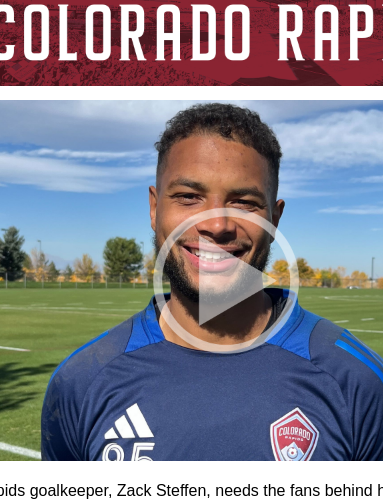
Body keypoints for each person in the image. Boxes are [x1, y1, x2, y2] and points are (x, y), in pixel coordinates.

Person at [41, 103, 383, 461]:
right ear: (155, 209)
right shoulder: (82, 381)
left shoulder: (355, 381)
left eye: (244, 202)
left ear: (275, 218)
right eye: (189, 197)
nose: (217, 225)